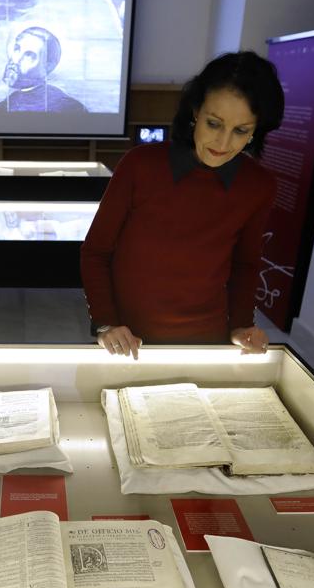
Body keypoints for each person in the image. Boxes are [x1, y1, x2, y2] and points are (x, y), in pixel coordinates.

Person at [80, 51, 284, 359]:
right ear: (195, 112)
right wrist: (106, 323)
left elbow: (245, 264)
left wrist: (242, 326)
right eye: (214, 124)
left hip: (206, 342)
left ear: (256, 131)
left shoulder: (258, 185)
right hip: (126, 339)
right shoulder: (140, 165)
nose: (223, 143)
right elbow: (96, 252)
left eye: (240, 131)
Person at [0, 26, 87, 113]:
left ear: (48, 66)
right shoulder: (6, 104)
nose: (16, 60)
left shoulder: (67, 108)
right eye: (17, 49)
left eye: (29, 55)